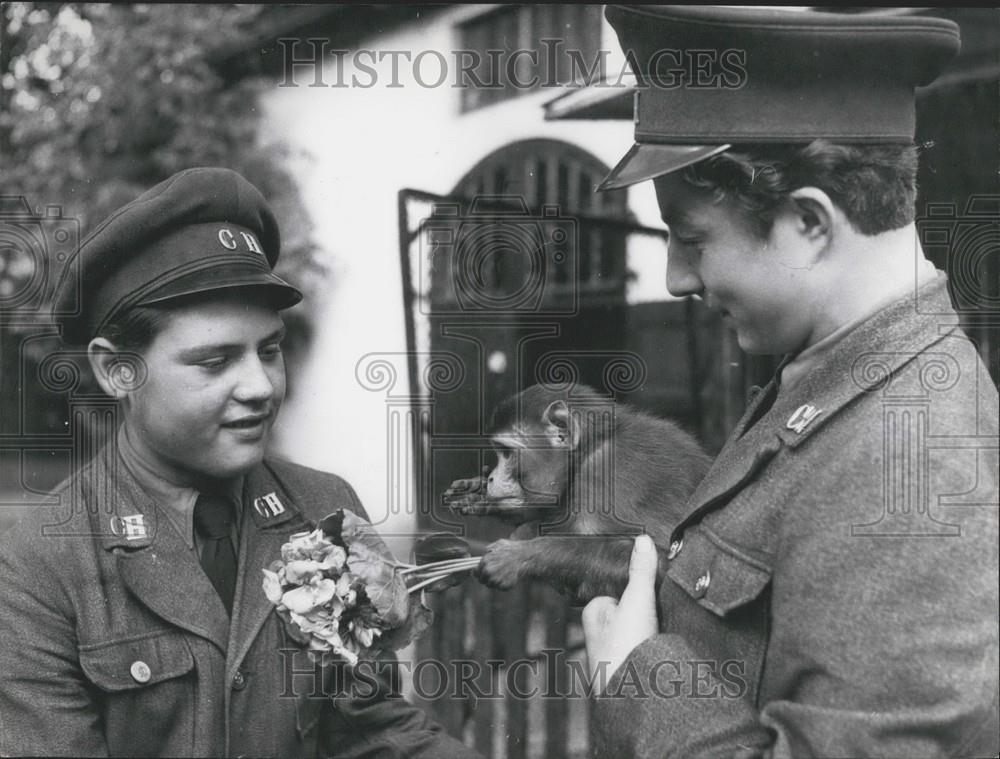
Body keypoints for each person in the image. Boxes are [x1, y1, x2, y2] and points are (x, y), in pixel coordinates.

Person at [581, 6, 999, 758]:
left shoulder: (911, 459)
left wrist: (637, 682)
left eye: (692, 238)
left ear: (809, 222)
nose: (676, 279)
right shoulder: (835, 378)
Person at [0, 167, 480, 758]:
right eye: (214, 361)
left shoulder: (326, 509)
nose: (260, 386)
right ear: (116, 370)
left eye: (269, 350)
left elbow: (373, 727)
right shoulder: (36, 566)